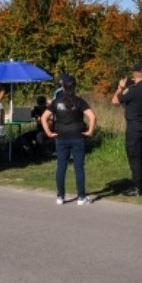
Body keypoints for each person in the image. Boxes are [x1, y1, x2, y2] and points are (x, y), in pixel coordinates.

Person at [41, 76, 96, 205]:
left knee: (61, 166)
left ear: (62, 87)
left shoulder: (56, 102)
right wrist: (90, 132)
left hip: (61, 136)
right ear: (74, 86)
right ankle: (81, 197)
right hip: (77, 136)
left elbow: (44, 118)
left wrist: (49, 133)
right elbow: (92, 117)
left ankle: (60, 196)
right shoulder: (79, 101)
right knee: (79, 167)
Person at [111, 61, 142, 196]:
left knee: (134, 157)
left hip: (134, 126)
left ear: (134, 75)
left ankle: (137, 187)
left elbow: (115, 101)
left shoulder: (132, 90)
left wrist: (120, 87)